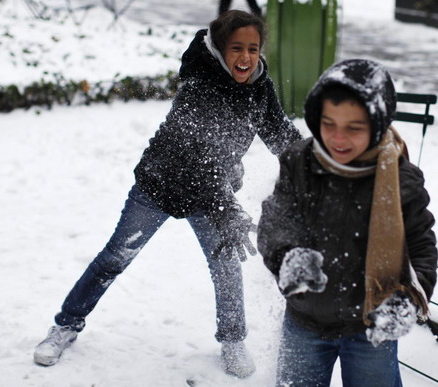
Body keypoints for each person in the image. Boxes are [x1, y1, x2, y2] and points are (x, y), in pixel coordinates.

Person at [33, 10, 302, 378]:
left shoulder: (259, 88)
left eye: (252, 49)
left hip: (210, 195)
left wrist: (317, 164)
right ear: (220, 49)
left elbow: (280, 134)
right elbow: (198, 156)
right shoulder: (199, 88)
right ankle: (66, 324)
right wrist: (227, 211)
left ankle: (233, 339)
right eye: (236, 48)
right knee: (115, 256)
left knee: (226, 267)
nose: (245, 57)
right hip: (160, 186)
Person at [257, 59, 438, 386]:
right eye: (328, 124)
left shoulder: (401, 179)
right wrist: (286, 255)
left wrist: (410, 296)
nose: (338, 138)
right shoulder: (300, 162)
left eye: (354, 128)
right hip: (305, 321)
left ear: (378, 124)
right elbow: (276, 218)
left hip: (370, 327)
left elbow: (421, 246)